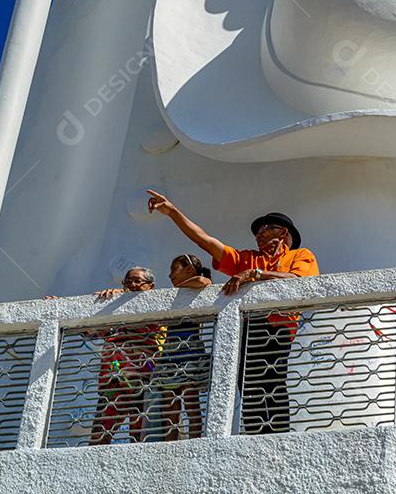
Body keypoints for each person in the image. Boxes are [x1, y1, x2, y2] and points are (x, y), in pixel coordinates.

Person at [146, 190, 318, 434]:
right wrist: (173, 212)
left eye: (264, 229)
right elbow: (205, 241)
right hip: (247, 326)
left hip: (277, 327)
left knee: (272, 378)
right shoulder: (247, 258)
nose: (258, 235)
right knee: (246, 384)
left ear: (283, 232)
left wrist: (255, 274)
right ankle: (255, 435)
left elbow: (298, 280)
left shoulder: (300, 255)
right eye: (257, 232)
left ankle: (278, 435)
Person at [86, 266, 166, 445]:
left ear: (151, 287)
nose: (132, 285)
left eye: (138, 281)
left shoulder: (159, 306)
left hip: (144, 381)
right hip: (113, 381)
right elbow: (91, 332)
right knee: (98, 437)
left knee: (140, 439)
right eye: (128, 282)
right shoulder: (115, 308)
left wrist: (121, 301)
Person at [153, 254, 212, 441]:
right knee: (169, 404)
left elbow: (203, 281)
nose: (170, 275)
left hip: (189, 351)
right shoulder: (174, 295)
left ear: (189, 269)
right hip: (171, 352)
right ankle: (169, 443)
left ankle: (195, 441)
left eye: (174, 268)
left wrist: (178, 288)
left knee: (190, 400)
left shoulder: (193, 289)